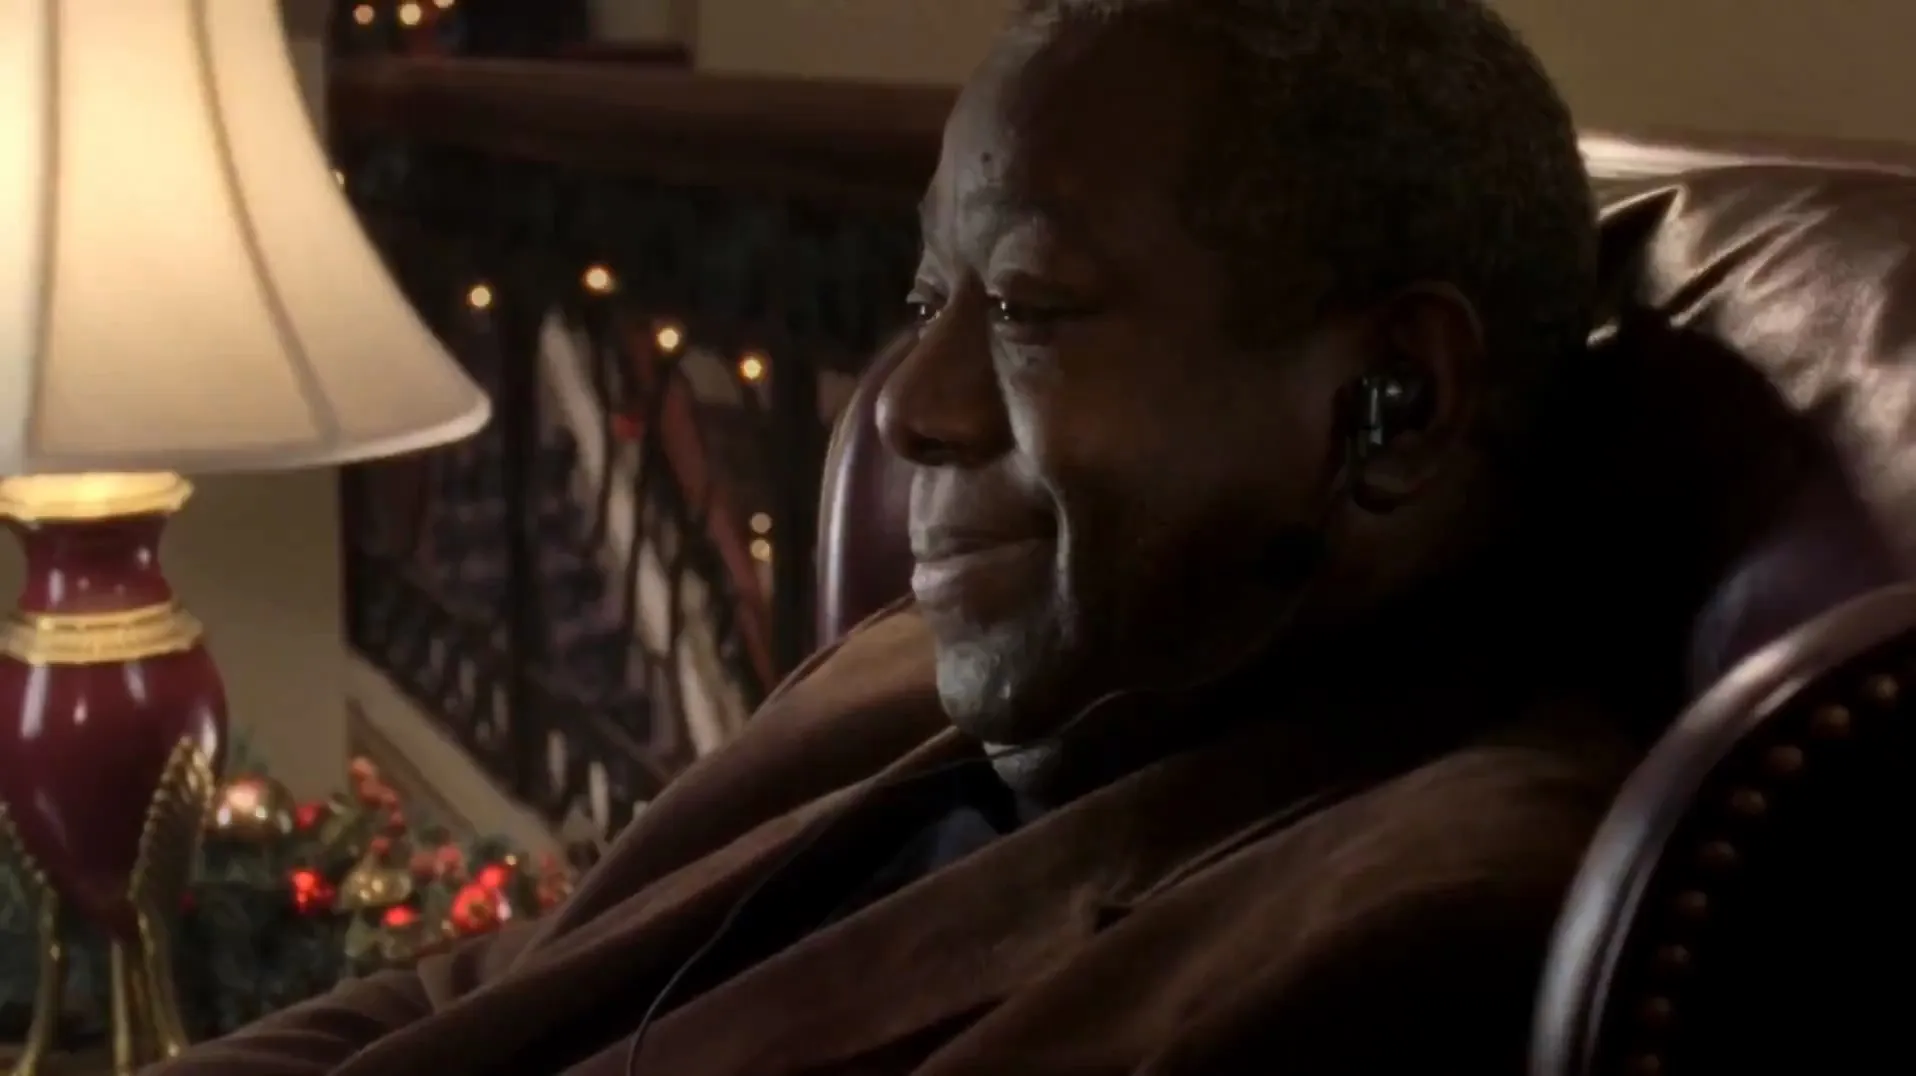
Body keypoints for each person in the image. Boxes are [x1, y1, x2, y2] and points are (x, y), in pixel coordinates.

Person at [154, 1, 1643, 1073]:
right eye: (931, 299)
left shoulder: (1411, 929)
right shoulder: (893, 677)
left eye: (1031, 309)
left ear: (1396, 403)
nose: (905, 409)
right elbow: (460, 1002)